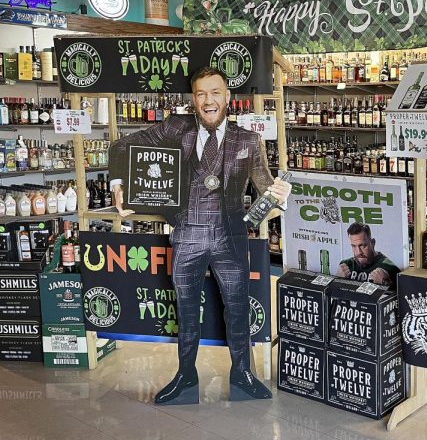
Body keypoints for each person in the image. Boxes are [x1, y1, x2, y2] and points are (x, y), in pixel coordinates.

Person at [110, 66, 291, 405]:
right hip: (187, 232)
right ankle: (185, 376)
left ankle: (243, 374)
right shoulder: (175, 127)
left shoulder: (248, 140)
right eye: (201, 94)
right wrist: (119, 185)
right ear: (193, 99)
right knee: (186, 309)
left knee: (237, 308)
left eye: (215, 92)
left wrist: (280, 195)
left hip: (231, 234)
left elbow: (266, 188)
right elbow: (122, 146)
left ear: (228, 97)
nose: (208, 101)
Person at [336, 223, 401, 286]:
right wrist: (337, 280)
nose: (359, 252)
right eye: (354, 246)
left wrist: (385, 283)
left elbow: (402, 295)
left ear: (373, 243)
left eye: (363, 245)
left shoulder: (389, 267)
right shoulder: (345, 265)